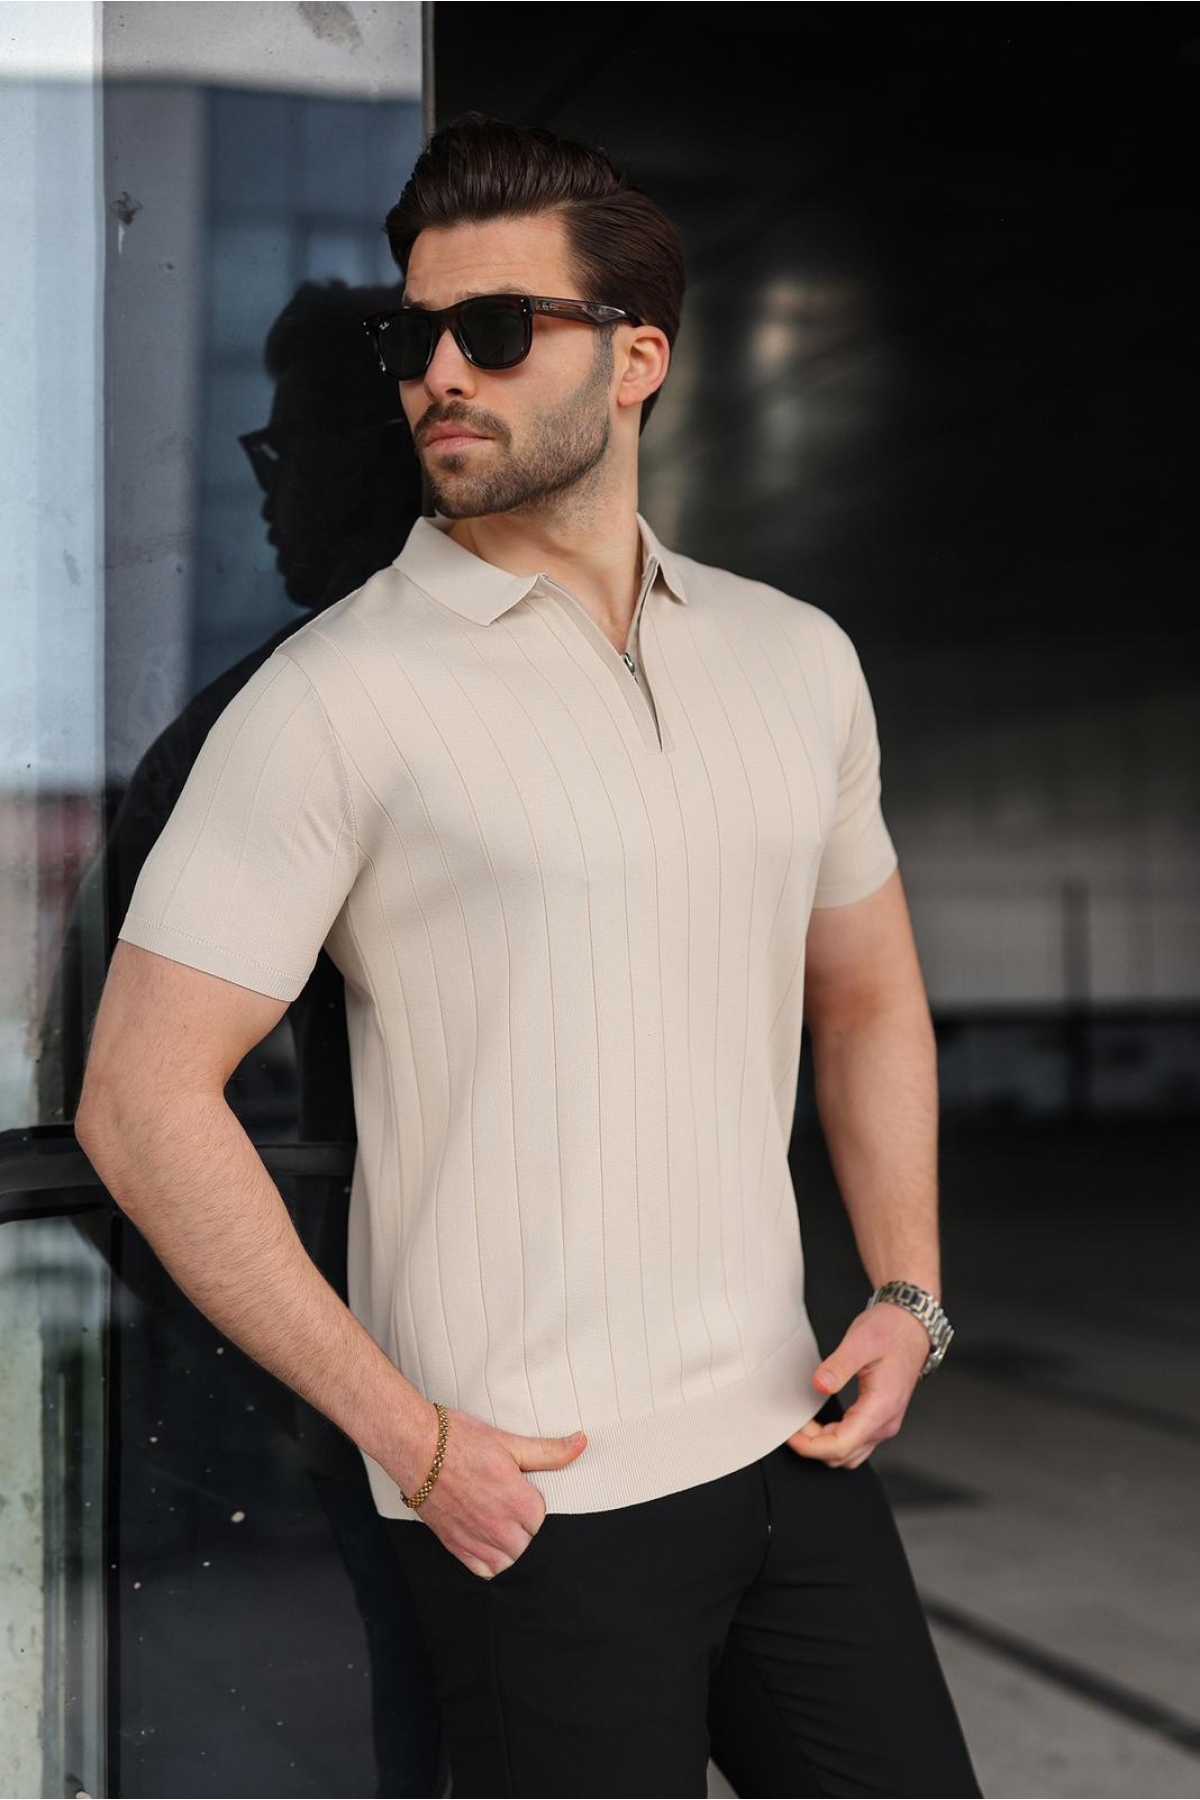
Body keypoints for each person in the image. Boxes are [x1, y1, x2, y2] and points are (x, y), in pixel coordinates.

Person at [76, 113, 983, 1798]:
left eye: (496, 329)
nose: (440, 372)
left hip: (792, 1446)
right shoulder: (334, 699)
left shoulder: (795, 658)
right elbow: (139, 1102)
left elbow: (865, 995)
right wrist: (409, 1437)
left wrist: (906, 1293)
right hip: (533, 1508)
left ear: (638, 359)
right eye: (414, 336)